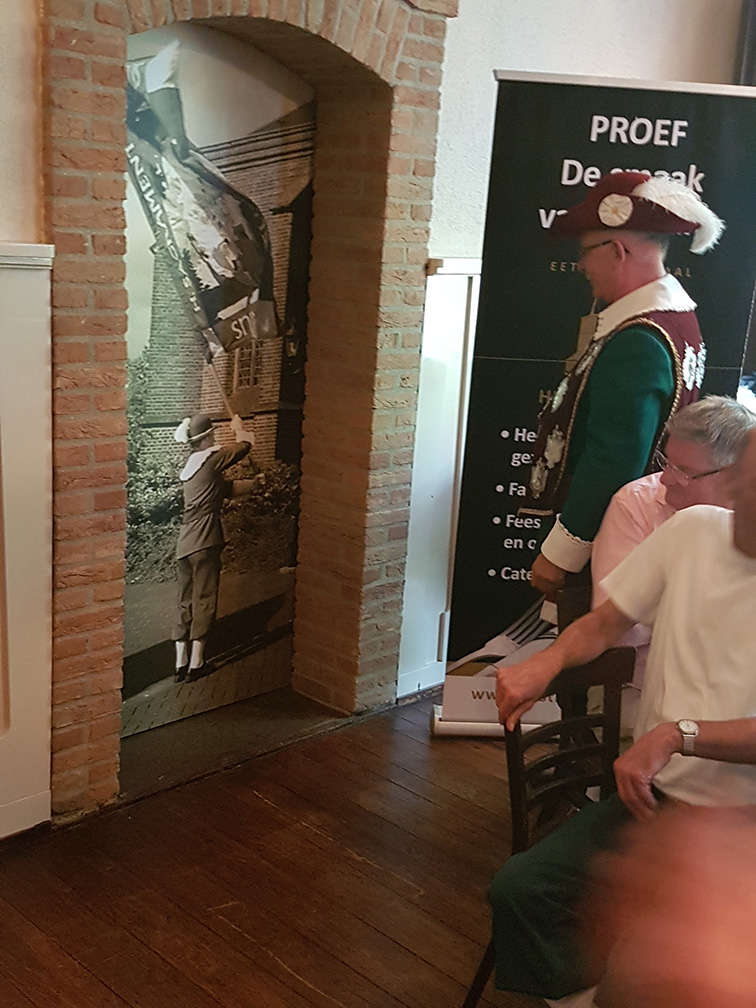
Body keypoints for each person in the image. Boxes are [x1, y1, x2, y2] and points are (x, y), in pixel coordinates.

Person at [488, 427, 756, 1007]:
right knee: (523, 890)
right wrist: (548, 660)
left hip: (743, 820)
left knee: (677, 965)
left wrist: (677, 736)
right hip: (653, 800)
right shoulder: (693, 531)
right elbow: (608, 621)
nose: (742, 493)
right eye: (742, 477)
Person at [521, 171, 724, 618]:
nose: (580, 266)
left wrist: (562, 552)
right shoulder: (672, 318)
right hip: (637, 530)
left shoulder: (639, 338)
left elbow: (612, 458)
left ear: (616, 250)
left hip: (614, 540)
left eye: (585, 252)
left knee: (595, 654)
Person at [591, 396, 756, 721]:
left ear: (731, 476)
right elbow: (617, 628)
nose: (665, 478)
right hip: (638, 689)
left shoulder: (742, 522)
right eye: (665, 462)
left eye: (683, 471)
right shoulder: (637, 504)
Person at [171, 412, 264, 682]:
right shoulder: (211, 460)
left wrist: (254, 484)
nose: (213, 438)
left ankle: (180, 664)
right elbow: (243, 448)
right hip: (205, 542)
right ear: (206, 438)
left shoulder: (193, 470)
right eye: (211, 435)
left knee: (185, 601)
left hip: (184, 546)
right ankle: (197, 664)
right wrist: (239, 428)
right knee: (204, 599)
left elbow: (224, 489)